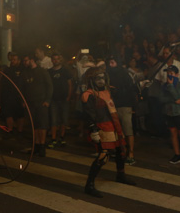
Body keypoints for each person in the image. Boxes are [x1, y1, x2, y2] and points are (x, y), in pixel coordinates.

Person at [82, 67, 136, 198]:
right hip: (101, 127)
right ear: (92, 80)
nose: (101, 81)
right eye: (98, 78)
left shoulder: (109, 90)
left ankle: (120, 175)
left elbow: (124, 92)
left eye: (102, 78)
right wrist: (93, 130)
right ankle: (89, 185)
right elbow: (88, 114)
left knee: (120, 151)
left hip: (114, 125)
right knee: (103, 155)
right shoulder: (88, 95)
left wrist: (140, 85)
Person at [107, 57, 138, 165]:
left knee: (127, 130)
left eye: (112, 62)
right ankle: (122, 151)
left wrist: (133, 106)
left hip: (125, 105)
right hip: (113, 105)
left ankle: (131, 154)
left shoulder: (124, 74)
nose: (110, 64)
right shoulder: (109, 74)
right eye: (109, 62)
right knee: (117, 131)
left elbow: (131, 89)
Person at [161, 65, 180, 167]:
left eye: (171, 73)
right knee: (173, 133)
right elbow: (162, 99)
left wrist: (171, 87)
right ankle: (177, 154)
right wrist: (173, 100)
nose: (169, 75)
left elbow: (179, 98)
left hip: (179, 113)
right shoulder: (164, 86)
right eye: (168, 73)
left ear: (177, 75)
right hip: (169, 112)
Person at [22, 56, 52, 157]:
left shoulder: (42, 71)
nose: (25, 62)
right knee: (34, 124)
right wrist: (23, 100)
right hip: (30, 103)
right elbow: (22, 87)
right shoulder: (25, 72)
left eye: (26, 60)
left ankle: (42, 146)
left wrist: (47, 100)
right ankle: (36, 145)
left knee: (42, 124)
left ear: (32, 60)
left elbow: (49, 86)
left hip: (41, 102)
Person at [47, 53, 73, 148]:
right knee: (54, 120)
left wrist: (69, 96)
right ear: (52, 60)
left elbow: (70, 84)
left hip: (64, 98)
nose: (55, 61)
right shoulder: (49, 72)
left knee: (63, 119)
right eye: (54, 59)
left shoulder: (65, 71)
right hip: (53, 99)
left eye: (57, 59)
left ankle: (62, 138)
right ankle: (53, 139)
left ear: (60, 60)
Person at [1, 53, 26, 134]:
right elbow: (3, 83)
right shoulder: (7, 70)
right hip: (9, 96)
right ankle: (10, 130)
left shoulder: (23, 70)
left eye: (14, 59)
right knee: (8, 114)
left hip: (19, 96)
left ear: (18, 60)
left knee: (20, 114)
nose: (12, 61)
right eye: (12, 59)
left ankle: (20, 131)